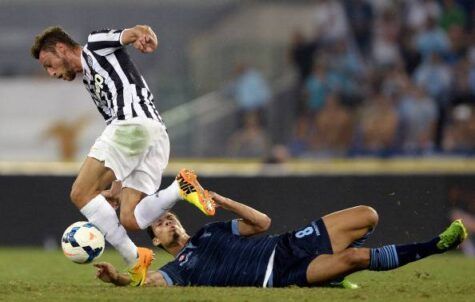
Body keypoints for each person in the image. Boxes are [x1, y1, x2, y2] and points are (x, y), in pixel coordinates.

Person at [30, 25, 216, 286]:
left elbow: (133, 32)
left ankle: (133, 259)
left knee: (80, 193)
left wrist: (144, 36)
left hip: (132, 124)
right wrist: (116, 184)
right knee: (130, 217)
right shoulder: (88, 80)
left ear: (61, 48)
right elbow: (114, 131)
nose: (51, 73)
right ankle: (179, 188)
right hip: (153, 134)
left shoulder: (95, 44)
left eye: (49, 64)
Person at [94, 191, 468, 287]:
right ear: (156, 243)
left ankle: (332, 272)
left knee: (368, 215)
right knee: (357, 259)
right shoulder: (180, 268)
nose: (166, 220)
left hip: (288, 245)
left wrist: (222, 201)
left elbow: (261, 222)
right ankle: (438, 245)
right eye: (158, 225)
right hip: (283, 275)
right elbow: (149, 283)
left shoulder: (210, 231)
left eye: (168, 214)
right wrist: (117, 279)